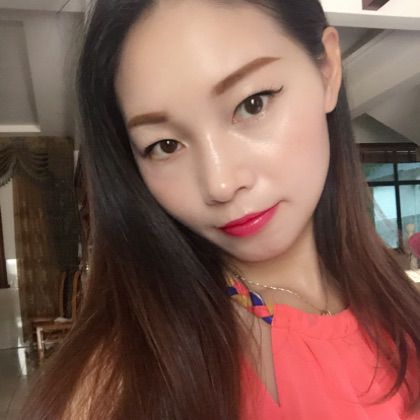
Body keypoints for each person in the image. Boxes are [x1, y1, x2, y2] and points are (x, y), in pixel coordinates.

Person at [22, 0, 420, 419]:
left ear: (327, 70)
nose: (221, 184)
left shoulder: (400, 300)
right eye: (165, 146)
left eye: (252, 104)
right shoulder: (121, 385)